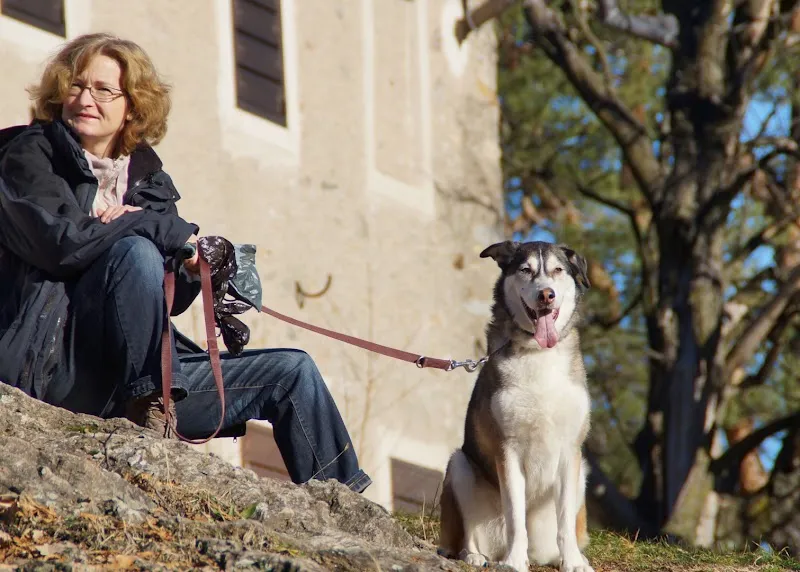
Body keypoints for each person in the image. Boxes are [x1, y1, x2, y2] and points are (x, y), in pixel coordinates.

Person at [0, 33, 371, 494]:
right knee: (133, 250)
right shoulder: (28, 155)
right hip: (56, 365)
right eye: (76, 86)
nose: (84, 99)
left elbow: (165, 299)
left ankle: (346, 505)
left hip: (151, 381)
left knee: (293, 372)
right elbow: (59, 244)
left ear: (133, 106)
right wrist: (159, 231)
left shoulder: (149, 182)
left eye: (102, 89)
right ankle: (149, 404)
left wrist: (195, 268)